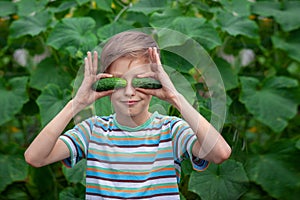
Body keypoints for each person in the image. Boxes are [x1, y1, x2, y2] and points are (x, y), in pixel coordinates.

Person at [24, 31, 231, 199]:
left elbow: (219, 153)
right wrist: (76, 104)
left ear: (156, 81)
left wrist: (175, 97)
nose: (130, 92)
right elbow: (35, 157)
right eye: (119, 81)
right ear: (106, 84)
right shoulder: (92, 131)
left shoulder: (171, 131)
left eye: (141, 81)